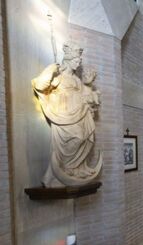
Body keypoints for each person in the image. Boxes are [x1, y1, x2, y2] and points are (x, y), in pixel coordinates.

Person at [32, 42, 102, 187]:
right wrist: (51, 69)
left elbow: (85, 94)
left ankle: (76, 168)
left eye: (79, 61)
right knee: (78, 137)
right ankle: (64, 167)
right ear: (68, 61)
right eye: (76, 61)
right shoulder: (59, 77)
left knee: (88, 138)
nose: (78, 64)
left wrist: (91, 96)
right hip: (64, 114)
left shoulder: (77, 80)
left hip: (81, 113)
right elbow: (40, 86)